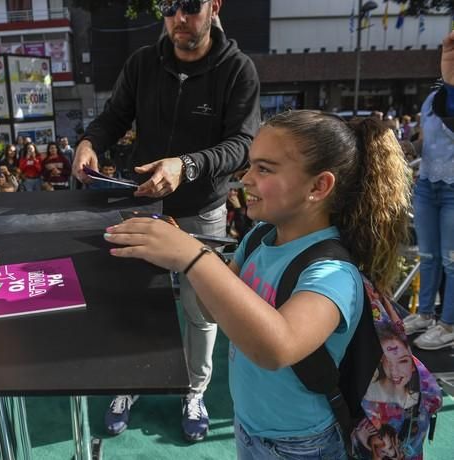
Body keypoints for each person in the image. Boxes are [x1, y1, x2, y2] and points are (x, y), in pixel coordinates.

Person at [103, 110, 411, 458]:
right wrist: (185, 257)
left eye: (264, 169)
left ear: (318, 186)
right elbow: (210, 311)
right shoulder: (259, 238)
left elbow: (275, 348)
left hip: (301, 444)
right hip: (249, 424)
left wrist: (193, 257)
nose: (246, 179)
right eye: (250, 166)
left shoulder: (333, 273)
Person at [72, 0, 260, 442]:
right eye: (169, 6)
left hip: (202, 210)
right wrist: (89, 141)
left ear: (214, 6)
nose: (179, 17)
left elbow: (244, 144)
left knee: (200, 310)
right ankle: (129, 382)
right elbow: (114, 117)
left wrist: (187, 165)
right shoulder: (142, 62)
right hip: (143, 206)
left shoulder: (238, 69)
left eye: (190, 6)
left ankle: (194, 391)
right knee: (135, 300)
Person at [403, 31, 454, 350]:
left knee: (451, 260)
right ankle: (424, 314)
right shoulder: (432, 98)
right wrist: (408, 147)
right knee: (428, 256)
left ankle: (448, 323)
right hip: (427, 185)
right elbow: (428, 139)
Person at [364, 323, 418, 408]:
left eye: (403, 361)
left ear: (413, 365)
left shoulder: (419, 399)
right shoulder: (367, 395)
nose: (395, 371)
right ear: (380, 360)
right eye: (389, 361)